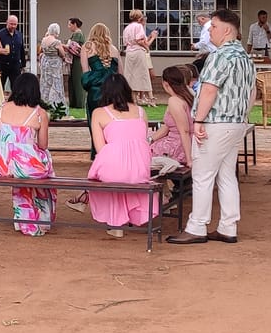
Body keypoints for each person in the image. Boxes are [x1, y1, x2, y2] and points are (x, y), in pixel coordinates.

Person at [169, 9, 254, 245]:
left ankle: (197, 226)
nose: (210, 31)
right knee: (226, 175)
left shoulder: (220, 56)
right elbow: (252, 92)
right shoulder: (246, 58)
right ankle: (228, 226)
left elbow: (208, 90)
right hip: (236, 122)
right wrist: (243, 117)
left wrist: (198, 120)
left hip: (215, 123)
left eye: (213, 26)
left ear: (226, 30)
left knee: (203, 175)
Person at [85, 72, 153, 238]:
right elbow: (143, 139)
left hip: (114, 167)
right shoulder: (141, 111)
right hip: (140, 168)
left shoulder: (99, 113)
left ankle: (115, 221)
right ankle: (124, 216)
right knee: (122, 173)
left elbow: (100, 149)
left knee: (108, 171)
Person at [0, 71, 54, 235]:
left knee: (24, 170)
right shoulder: (39, 113)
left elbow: (0, 137)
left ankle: (23, 216)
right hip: (26, 167)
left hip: (3, 165)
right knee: (45, 161)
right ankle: (42, 217)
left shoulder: (2, 109)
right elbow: (43, 145)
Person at [146, 64, 194, 180]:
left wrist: (189, 159)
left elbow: (184, 131)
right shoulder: (187, 96)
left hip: (178, 145)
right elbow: (167, 127)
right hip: (181, 141)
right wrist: (150, 139)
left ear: (165, 83)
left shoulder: (175, 101)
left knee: (141, 152)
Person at [121, 10, 156, 105]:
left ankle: (133, 99)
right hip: (138, 52)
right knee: (142, 74)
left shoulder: (127, 27)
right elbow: (139, 40)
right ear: (139, 17)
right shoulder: (138, 26)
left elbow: (126, 42)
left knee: (130, 75)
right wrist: (147, 47)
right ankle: (149, 99)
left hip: (129, 52)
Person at [81, 22, 118, 103]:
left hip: (96, 88)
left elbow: (85, 72)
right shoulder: (114, 49)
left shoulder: (87, 47)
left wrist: (87, 85)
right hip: (112, 87)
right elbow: (120, 73)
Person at [36, 23, 67, 109]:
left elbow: (41, 50)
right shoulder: (56, 42)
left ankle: (45, 101)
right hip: (54, 64)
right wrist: (64, 57)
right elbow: (62, 53)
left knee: (46, 82)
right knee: (55, 83)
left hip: (46, 63)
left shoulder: (44, 40)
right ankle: (56, 103)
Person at [64, 18, 87, 111]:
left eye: (70, 24)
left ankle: (79, 104)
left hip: (77, 61)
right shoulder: (75, 34)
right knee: (72, 81)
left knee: (77, 82)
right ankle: (74, 103)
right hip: (74, 61)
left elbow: (74, 48)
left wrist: (61, 45)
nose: (68, 27)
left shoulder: (78, 34)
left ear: (75, 24)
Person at [0, 14, 27, 90]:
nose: (13, 26)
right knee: (0, 87)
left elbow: (22, 50)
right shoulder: (0, 34)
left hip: (15, 66)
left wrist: (23, 64)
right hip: (2, 65)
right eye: (11, 24)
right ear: (7, 23)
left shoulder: (19, 35)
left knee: (16, 88)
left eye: (15, 24)